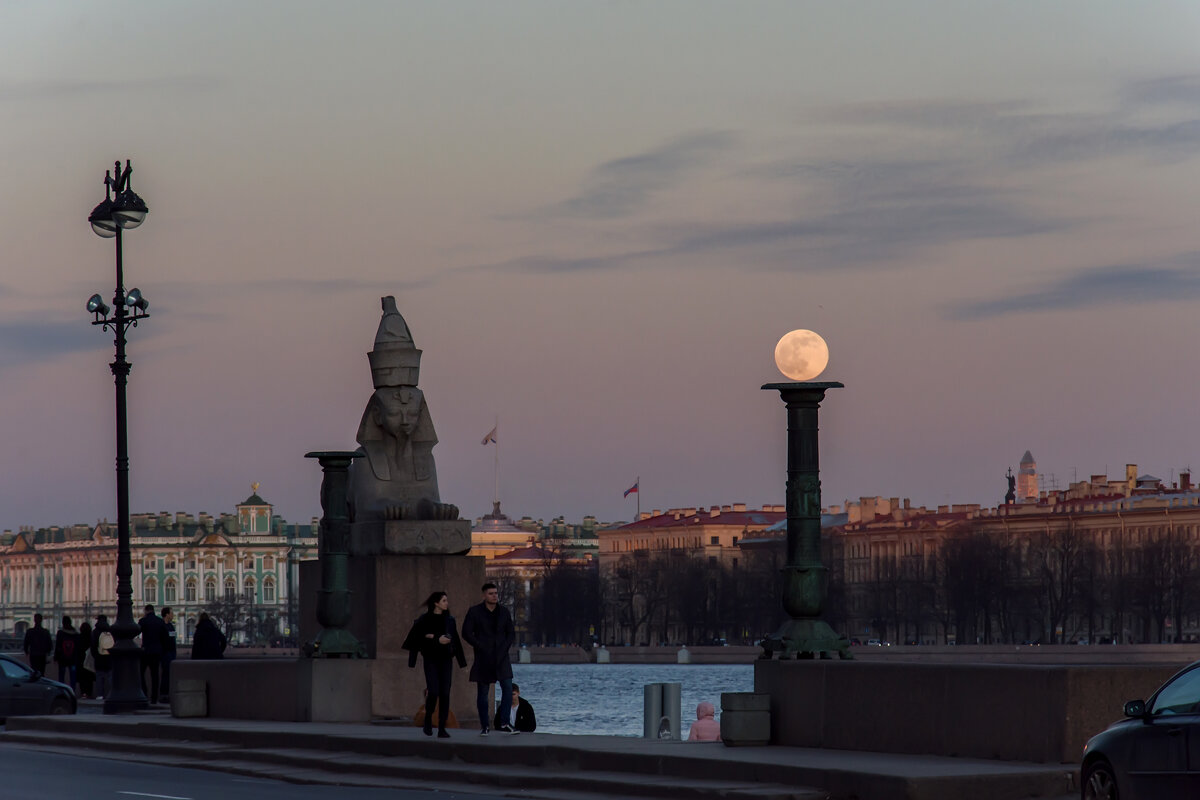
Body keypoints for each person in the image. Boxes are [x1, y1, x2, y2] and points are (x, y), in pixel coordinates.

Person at [402, 591, 467, 739]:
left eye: (446, 600)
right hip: (431, 659)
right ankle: (428, 718)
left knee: (445, 693)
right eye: (444, 600)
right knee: (433, 691)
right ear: (436, 603)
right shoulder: (424, 620)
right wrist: (436, 639)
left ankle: (442, 727)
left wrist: (461, 661)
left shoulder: (449, 620)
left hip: (446, 660)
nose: (447, 603)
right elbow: (415, 639)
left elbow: (455, 639)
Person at [461, 582, 516, 735]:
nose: (495, 596)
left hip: (502, 656)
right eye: (491, 593)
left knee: (507, 688)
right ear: (484, 595)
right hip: (484, 656)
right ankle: (485, 725)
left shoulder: (504, 612)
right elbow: (466, 632)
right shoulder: (475, 612)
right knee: (483, 693)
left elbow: (511, 633)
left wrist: (504, 647)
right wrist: (480, 646)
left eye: (496, 593)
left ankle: (505, 723)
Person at [138, 604, 168, 704]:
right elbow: (165, 638)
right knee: (155, 675)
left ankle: (145, 693)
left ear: (146, 611)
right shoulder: (160, 622)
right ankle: (154, 698)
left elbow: (137, 631)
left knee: (140, 673)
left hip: (146, 651)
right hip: (157, 652)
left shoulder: (143, 621)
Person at [53, 616, 80, 690]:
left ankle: (62, 691)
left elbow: (58, 646)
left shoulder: (60, 633)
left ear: (63, 623)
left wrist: (56, 657)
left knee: (61, 675)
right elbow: (78, 647)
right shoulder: (76, 634)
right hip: (73, 659)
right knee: (73, 676)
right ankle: (72, 690)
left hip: (62, 659)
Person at [92, 615, 114, 700]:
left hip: (99, 657)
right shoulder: (110, 631)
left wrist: (96, 655)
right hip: (109, 657)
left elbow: (93, 646)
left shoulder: (95, 632)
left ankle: (100, 695)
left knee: (99, 677)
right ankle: (111, 693)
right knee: (109, 676)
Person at [160, 607, 177, 700]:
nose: (173, 615)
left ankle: (167, 692)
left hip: (171, 653)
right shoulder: (162, 626)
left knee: (170, 673)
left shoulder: (171, 626)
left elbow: (172, 640)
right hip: (165, 653)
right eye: (171, 613)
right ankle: (164, 693)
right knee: (166, 673)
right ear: (167, 615)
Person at [77, 620, 95, 699]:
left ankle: (83, 693)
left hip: (81, 661)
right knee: (89, 679)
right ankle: (89, 693)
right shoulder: (91, 638)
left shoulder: (79, 638)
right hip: (89, 661)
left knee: (82, 679)